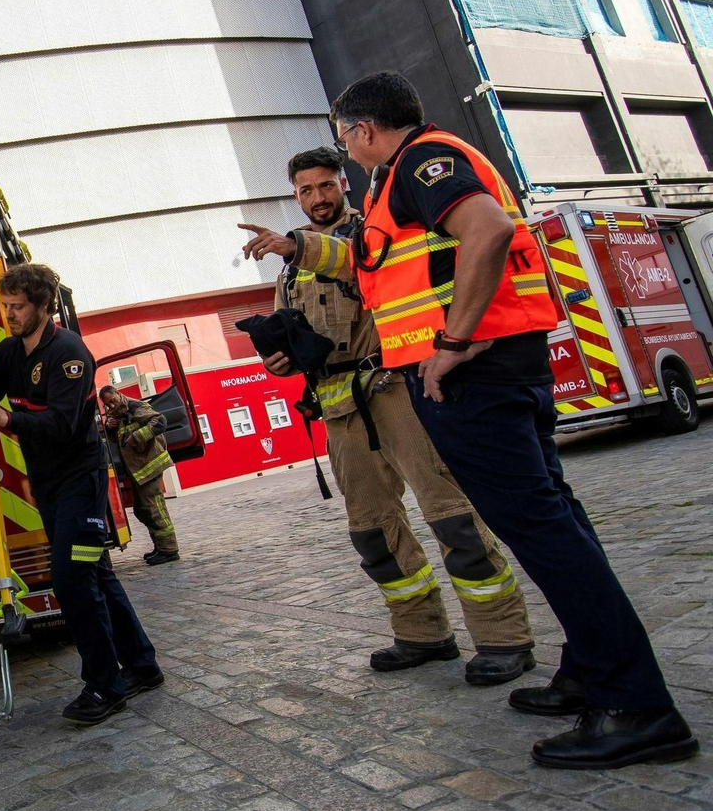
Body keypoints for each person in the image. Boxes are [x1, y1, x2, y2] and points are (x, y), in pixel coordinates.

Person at [245, 71, 697, 770]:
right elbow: (377, 266)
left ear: (363, 130)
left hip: (474, 377)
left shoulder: (422, 162)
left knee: (540, 530)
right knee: (555, 519)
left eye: (345, 139)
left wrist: (455, 340)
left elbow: (488, 231)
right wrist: (296, 257)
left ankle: (636, 704)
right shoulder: (406, 176)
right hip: (485, 370)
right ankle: (589, 668)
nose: (345, 153)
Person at [246, 146, 536, 683]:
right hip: (338, 407)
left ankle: (503, 637)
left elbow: (355, 266)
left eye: (326, 185)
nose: (318, 197)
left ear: (344, 184)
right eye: (306, 190)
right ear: (296, 195)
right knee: (372, 532)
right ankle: (422, 633)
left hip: (397, 389)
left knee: (451, 516)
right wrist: (282, 356)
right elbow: (293, 327)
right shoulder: (290, 267)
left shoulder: (374, 233)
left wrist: (297, 246)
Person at [0, 263, 163, 726]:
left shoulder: (69, 353)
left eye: (18, 307)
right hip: (49, 486)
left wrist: (5, 419)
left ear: (42, 306)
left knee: (73, 581)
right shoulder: (11, 351)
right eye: (5, 306)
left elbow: (62, 424)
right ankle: (142, 666)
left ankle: (105, 686)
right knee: (97, 576)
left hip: (80, 483)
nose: (9, 314)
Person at [97, 386, 180, 566]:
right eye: (107, 404)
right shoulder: (117, 415)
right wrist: (110, 429)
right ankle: (160, 546)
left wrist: (138, 436)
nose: (111, 405)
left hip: (150, 466)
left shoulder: (135, 407)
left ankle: (169, 550)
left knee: (153, 508)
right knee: (142, 510)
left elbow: (160, 421)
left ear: (118, 394)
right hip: (138, 470)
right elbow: (117, 440)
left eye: (113, 400)